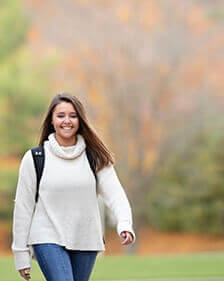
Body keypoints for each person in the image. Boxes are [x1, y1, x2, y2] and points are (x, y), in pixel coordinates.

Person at [12, 92, 135, 281]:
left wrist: (124, 223)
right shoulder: (35, 158)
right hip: (46, 236)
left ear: (80, 120)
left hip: (85, 238)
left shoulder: (95, 158)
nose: (66, 121)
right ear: (51, 121)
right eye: (60, 116)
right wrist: (20, 253)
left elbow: (115, 195)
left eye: (73, 116)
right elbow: (23, 206)